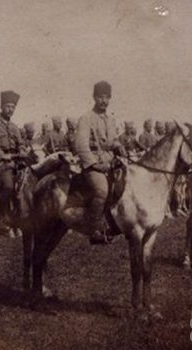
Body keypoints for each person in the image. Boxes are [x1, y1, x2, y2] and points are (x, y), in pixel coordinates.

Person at [74, 81, 123, 244]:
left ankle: (114, 224)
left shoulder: (111, 120)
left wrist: (118, 146)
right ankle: (93, 230)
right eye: (101, 97)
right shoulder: (86, 118)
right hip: (93, 165)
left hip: (110, 162)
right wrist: (95, 164)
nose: (104, 101)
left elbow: (112, 141)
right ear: (94, 98)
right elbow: (81, 145)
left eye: (107, 97)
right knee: (102, 190)